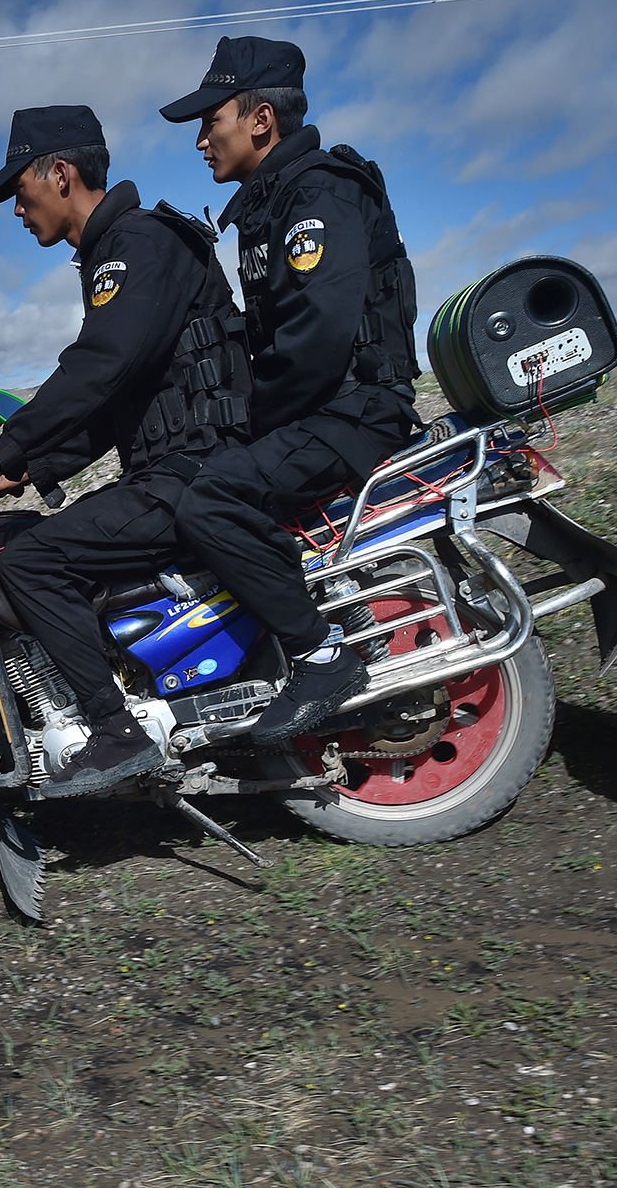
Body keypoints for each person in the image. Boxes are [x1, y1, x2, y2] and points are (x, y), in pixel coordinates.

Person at [0, 105, 251, 796]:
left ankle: (114, 731)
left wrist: (1, 451)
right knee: (40, 538)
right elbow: (118, 401)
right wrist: (22, 470)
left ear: (61, 173)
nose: (18, 210)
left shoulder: (134, 244)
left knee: (31, 563)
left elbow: (99, 366)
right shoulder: (122, 250)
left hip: (195, 473)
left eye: (21, 191)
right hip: (182, 466)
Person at [158, 36, 422, 745]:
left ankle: (321, 655)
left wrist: (251, 424)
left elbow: (316, 337)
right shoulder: (272, 201)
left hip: (355, 412)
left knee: (211, 498)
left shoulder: (316, 194)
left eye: (210, 122)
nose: (201, 140)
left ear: (261, 120)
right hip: (330, 409)